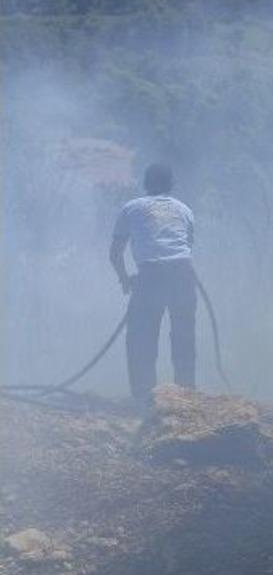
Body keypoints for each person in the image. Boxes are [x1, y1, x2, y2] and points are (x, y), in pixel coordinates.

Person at [110, 163, 197, 402]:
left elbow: (116, 252)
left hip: (151, 275)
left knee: (141, 338)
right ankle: (187, 396)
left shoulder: (131, 207)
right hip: (183, 275)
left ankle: (144, 399)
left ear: (145, 183)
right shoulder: (184, 209)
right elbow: (186, 246)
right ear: (172, 184)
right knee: (183, 338)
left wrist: (125, 279)